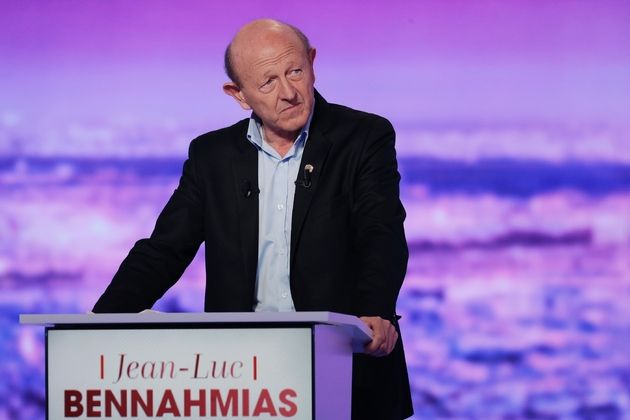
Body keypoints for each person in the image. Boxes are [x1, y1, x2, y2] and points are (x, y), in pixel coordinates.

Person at [93, 19, 413, 419]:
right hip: (243, 379)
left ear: (312, 63)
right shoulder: (212, 156)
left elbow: (379, 232)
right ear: (239, 95)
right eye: (267, 83)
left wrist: (375, 311)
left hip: (346, 368)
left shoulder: (364, 137)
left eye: (295, 71)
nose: (288, 93)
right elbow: (163, 251)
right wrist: (97, 325)